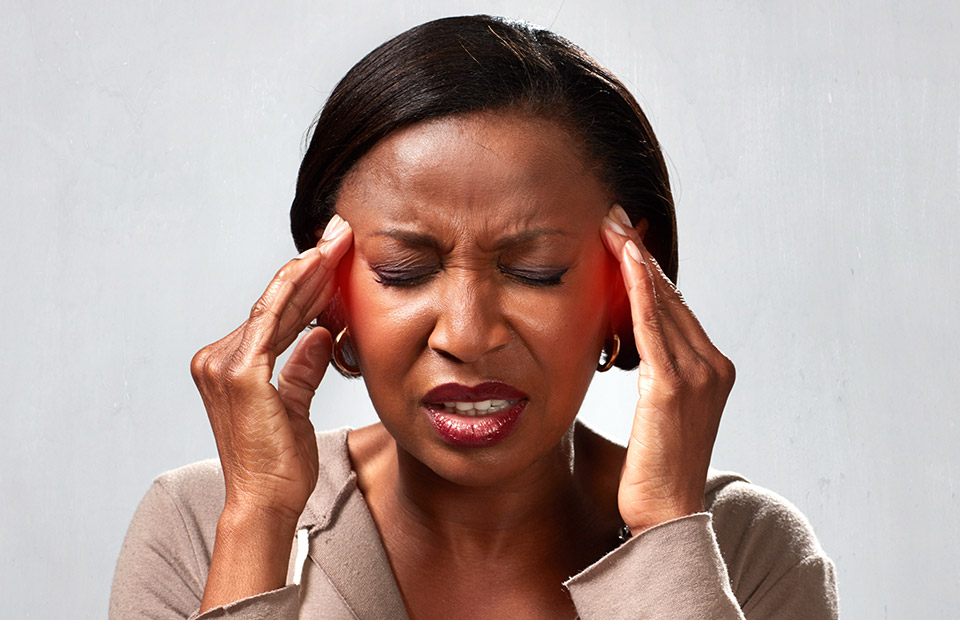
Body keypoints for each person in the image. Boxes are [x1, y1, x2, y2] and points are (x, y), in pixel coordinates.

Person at [109, 15, 838, 620]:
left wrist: (666, 535)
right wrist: (260, 521)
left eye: (535, 271)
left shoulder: (745, 547)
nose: (465, 335)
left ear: (626, 285)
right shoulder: (201, 523)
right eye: (403, 271)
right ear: (329, 293)